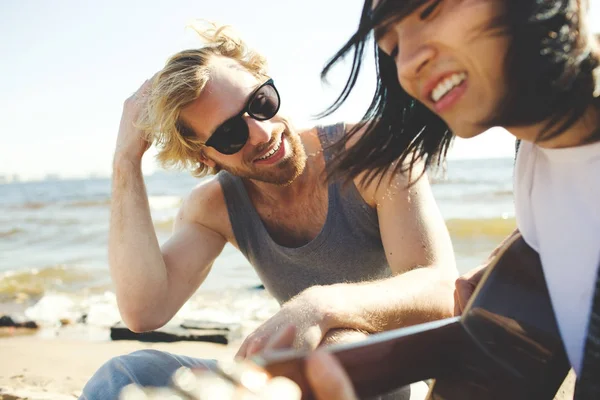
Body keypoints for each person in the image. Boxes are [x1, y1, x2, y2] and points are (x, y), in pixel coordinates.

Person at [163, 0, 599, 398]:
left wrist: (324, 306)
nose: (407, 62)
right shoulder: (538, 159)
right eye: (390, 49)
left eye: (430, 11)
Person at [80, 21, 457, 400]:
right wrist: (125, 160)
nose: (262, 133)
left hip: (384, 373)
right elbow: (145, 310)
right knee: (125, 373)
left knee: (338, 347)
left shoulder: (371, 154)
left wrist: (321, 305)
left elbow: (440, 291)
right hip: (290, 380)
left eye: (260, 103)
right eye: (230, 135)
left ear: (267, 80)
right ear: (204, 156)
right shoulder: (215, 207)